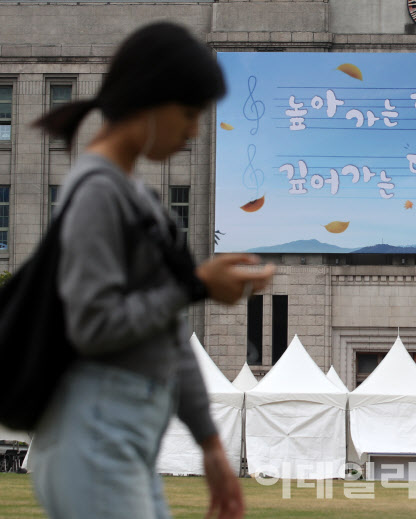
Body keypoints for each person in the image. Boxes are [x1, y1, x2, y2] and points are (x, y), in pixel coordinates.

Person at [29, 21, 274, 518]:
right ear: (150, 99)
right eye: (188, 113)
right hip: (93, 440)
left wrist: (211, 445)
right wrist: (195, 284)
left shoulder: (139, 198)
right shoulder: (97, 193)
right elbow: (93, 324)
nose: (194, 131)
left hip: (125, 446)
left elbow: (172, 339)